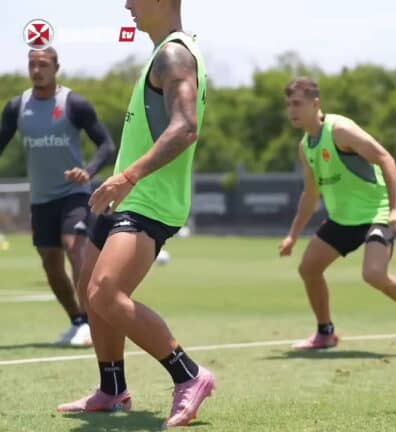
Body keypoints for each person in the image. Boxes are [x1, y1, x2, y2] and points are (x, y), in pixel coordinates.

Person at [58, 1, 215, 427]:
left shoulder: (174, 54)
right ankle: (112, 389)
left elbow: (185, 127)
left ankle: (190, 376)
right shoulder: (164, 51)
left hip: (150, 199)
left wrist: (127, 176)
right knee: (88, 285)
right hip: (128, 195)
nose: (126, 3)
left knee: (106, 291)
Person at [278, 77, 396, 351]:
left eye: (297, 103)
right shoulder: (306, 147)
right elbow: (310, 195)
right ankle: (325, 333)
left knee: (373, 274)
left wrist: (395, 208)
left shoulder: (340, 130)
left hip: (377, 214)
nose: (292, 110)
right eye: (288, 104)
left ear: (316, 104)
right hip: (343, 219)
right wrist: (292, 236)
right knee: (309, 269)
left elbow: (385, 158)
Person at [0, 47, 116, 346]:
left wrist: (87, 172)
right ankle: (78, 321)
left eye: (43, 64)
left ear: (56, 67)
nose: (37, 70)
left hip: (73, 193)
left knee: (74, 247)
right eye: (32, 64)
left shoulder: (73, 103)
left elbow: (106, 145)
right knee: (51, 264)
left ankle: (93, 322)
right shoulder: (16, 107)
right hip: (41, 199)